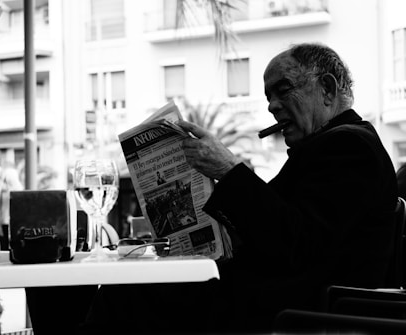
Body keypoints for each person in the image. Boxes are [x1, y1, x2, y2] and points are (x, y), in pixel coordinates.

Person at [33, 43, 399, 334]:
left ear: (327, 89)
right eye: (269, 95)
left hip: (290, 309)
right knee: (107, 290)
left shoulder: (349, 147)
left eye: (283, 90)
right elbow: (279, 225)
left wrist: (228, 169)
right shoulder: (328, 147)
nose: (272, 106)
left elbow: (295, 241)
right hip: (275, 298)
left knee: (128, 292)